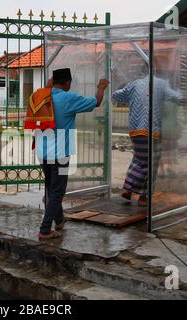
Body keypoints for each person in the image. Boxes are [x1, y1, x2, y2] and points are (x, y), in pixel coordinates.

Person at [34, 68, 109, 240]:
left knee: (52, 187)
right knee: (57, 191)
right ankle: (45, 230)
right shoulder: (68, 98)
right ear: (67, 82)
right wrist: (101, 87)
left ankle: (59, 220)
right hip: (60, 152)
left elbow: (47, 86)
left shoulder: (41, 95)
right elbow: (96, 102)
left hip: (42, 151)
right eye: (70, 82)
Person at [112, 73, 182, 206]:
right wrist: (182, 91)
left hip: (135, 131)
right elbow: (175, 97)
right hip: (152, 130)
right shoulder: (162, 84)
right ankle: (143, 196)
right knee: (150, 164)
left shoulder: (133, 84)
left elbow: (116, 95)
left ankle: (129, 190)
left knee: (138, 159)